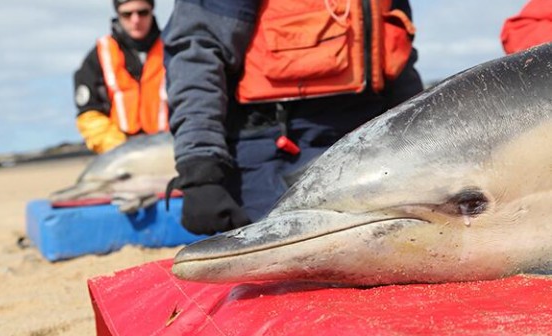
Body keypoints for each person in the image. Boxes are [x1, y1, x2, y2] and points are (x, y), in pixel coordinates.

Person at [163, 0, 424, 235]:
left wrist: (419, 145)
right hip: (272, 153)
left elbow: (398, 60)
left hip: (368, 151)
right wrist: (200, 169)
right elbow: (197, 52)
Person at [73, 0, 168, 154]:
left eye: (142, 12)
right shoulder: (99, 56)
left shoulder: (174, 48)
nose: (135, 20)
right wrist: (122, 149)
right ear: (118, 15)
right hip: (120, 153)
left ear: (152, 11)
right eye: (127, 14)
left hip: (169, 149)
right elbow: (89, 115)